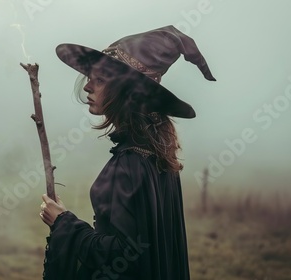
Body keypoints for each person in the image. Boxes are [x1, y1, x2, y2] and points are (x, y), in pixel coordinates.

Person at [39, 25, 216, 280]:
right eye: (90, 78)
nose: (88, 87)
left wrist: (63, 223)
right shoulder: (157, 155)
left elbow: (125, 256)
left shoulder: (131, 162)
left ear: (127, 92)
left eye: (100, 80)